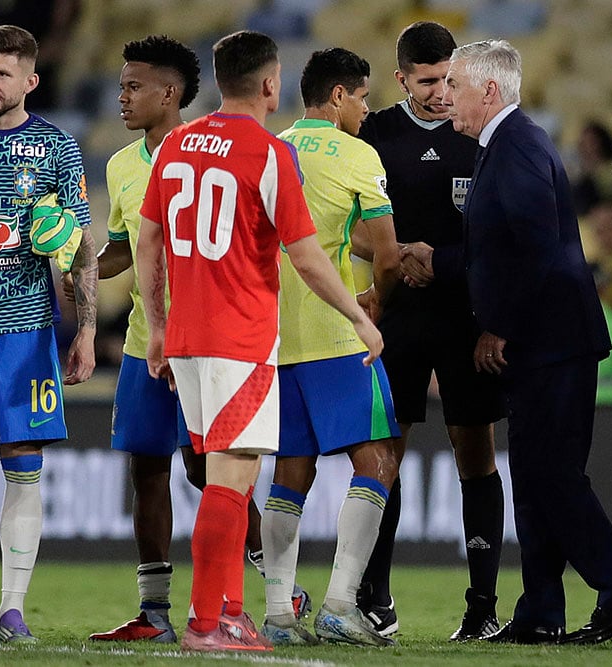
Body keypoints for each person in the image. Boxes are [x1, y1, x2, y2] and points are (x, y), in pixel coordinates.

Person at [406, 38, 612, 646]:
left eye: (456, 85)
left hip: (551, 343)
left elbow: (536, 247)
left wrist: (502, 326)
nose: (446, 96)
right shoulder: (508, 144)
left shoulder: (516, 145)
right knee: (536, 474)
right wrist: (439, 260)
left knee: (551, 475)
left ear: (490, 90)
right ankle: (541, 610)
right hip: (547, 342)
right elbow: (497, 248)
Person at [135, 30, 382, 653]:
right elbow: (308, 257)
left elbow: (148, 242)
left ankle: (233, 612)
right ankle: (206, 623)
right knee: (231, 478)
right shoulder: (269, 153)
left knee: (233, 481)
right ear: (271, 84)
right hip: (239, 340)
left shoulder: (176, 143)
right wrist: (358, 316)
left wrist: (158, 328)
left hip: (186, 339)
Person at [83, 35, 309, 645]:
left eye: (134, 87)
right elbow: (130, 247)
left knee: (211, 469)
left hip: (208, 340)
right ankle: (156, 611)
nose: (122, 98)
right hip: (148, 340)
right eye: (121, 86)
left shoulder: (202, 149)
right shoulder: (120, 165)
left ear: (170, 93)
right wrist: (82, 269)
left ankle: (265, 588)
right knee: (147, 469)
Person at [356, 21, 505, 642]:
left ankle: (482, 606)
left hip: (467, 315)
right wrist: (393, 256)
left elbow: (499, 228)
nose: (441, 93)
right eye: (427, 82)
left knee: (475, 452)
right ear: (401, 80)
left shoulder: (478, 131)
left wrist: (439, 260)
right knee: (384, 453)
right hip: (398, 313)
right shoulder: (375, 134)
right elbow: (347, 221)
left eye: (448, 79)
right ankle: (375, 598)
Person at [260, 46, 400, 649]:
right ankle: (342, 604)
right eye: (363, 97)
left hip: (275, 337)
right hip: (339, 334)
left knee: (290, 473)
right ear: (339, 95)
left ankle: (277, 615)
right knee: (378, 461)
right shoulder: (357, 154)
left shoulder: (271, 149)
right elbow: (387, 256)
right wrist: (374, 302)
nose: (367, 110)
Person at [0, 24, 97, 643]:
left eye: (2, 74)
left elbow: (81, 248)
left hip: (24, 328)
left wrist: (86, 330)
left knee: (23, 466)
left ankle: (11, 611)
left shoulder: (55, 147)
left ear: (30, 80)